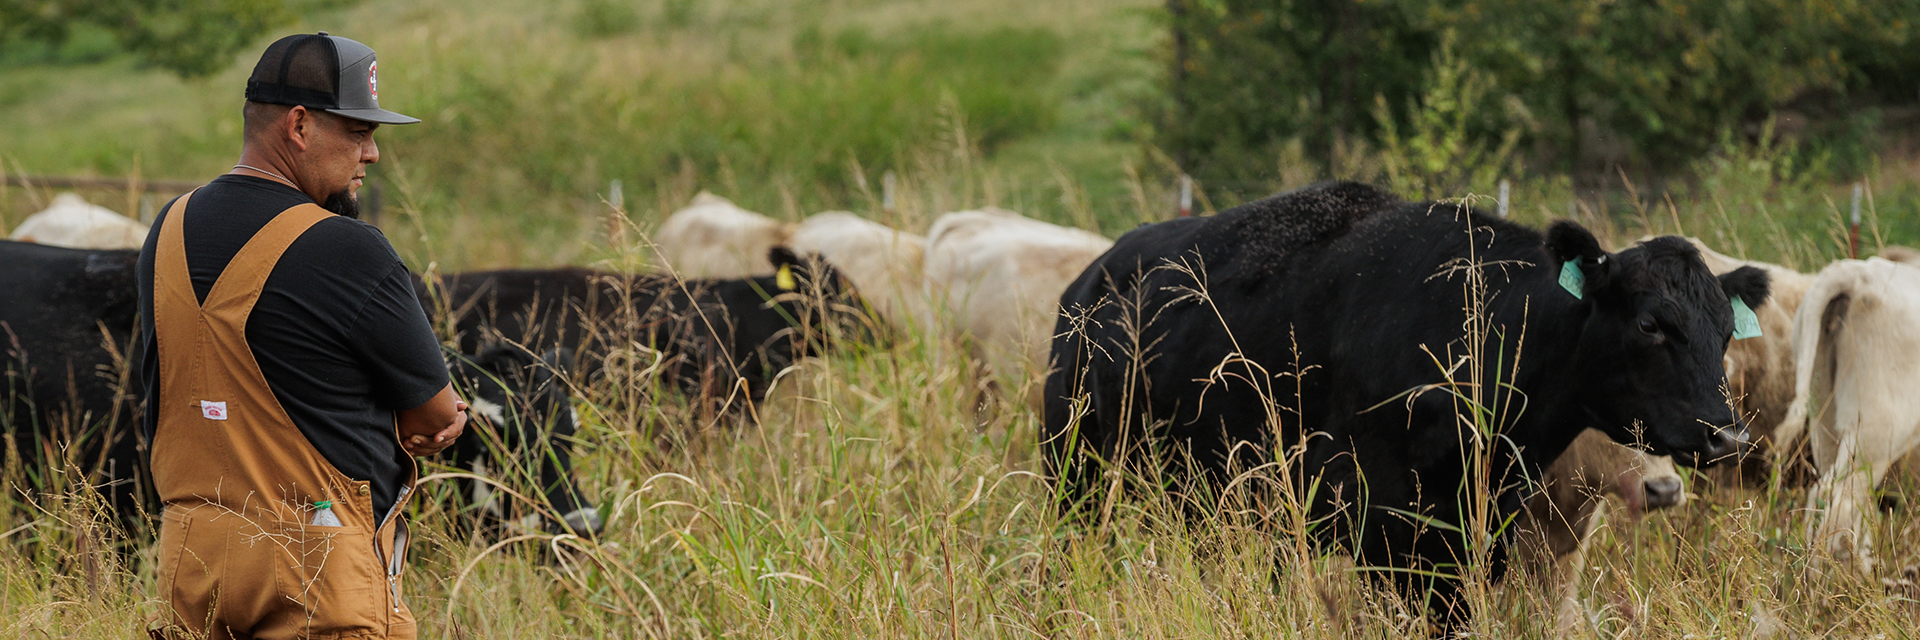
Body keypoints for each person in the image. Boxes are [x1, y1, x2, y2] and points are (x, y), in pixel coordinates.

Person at [136, 32, 464, 640]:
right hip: (315, 571)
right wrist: (448, 415)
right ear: (299, 125)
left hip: (192, 565)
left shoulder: (168, 228)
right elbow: (433, 416)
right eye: (359, 133)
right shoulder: (349, 247)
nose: (371, 155)